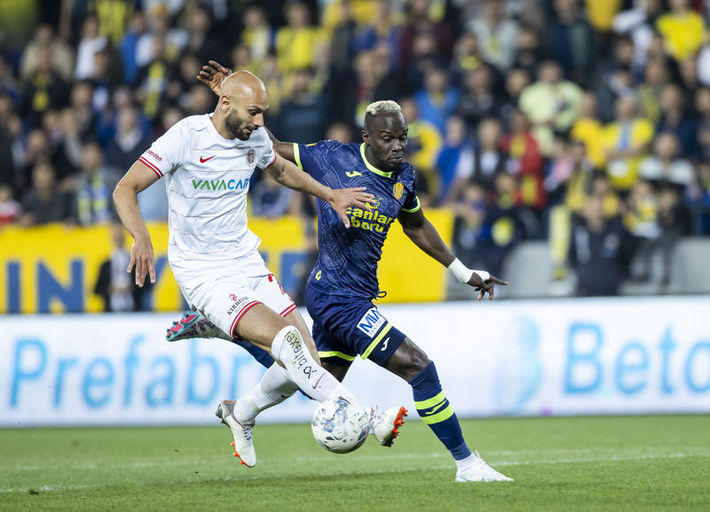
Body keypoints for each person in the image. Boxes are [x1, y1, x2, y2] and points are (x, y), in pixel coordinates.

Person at [168, 61, 514, 483]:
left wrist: (462, 271)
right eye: (387, 138)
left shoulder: (404, 177)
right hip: (336, 297)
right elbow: (271, 147)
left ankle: (232, 371)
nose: (397, 147)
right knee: (419, 367)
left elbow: (416, 225)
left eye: (402, 138)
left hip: (358, 294)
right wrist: (234, 98)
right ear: (367, 137)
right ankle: (467, 465)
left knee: (304, 374)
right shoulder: (332, 157)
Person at [112, 70, 405, 469]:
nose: (260, 121)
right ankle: (366, 415)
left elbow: (280, 170)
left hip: (246, 261)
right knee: (287, 341)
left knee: (304, 361)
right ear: (226, 103)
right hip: (204, 273)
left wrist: (329, 194)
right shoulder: (186, 136)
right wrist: (141, 237)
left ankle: (241, 413)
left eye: (263, 112)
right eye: (253, 112)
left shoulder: (254, 138)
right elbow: (124, 188)